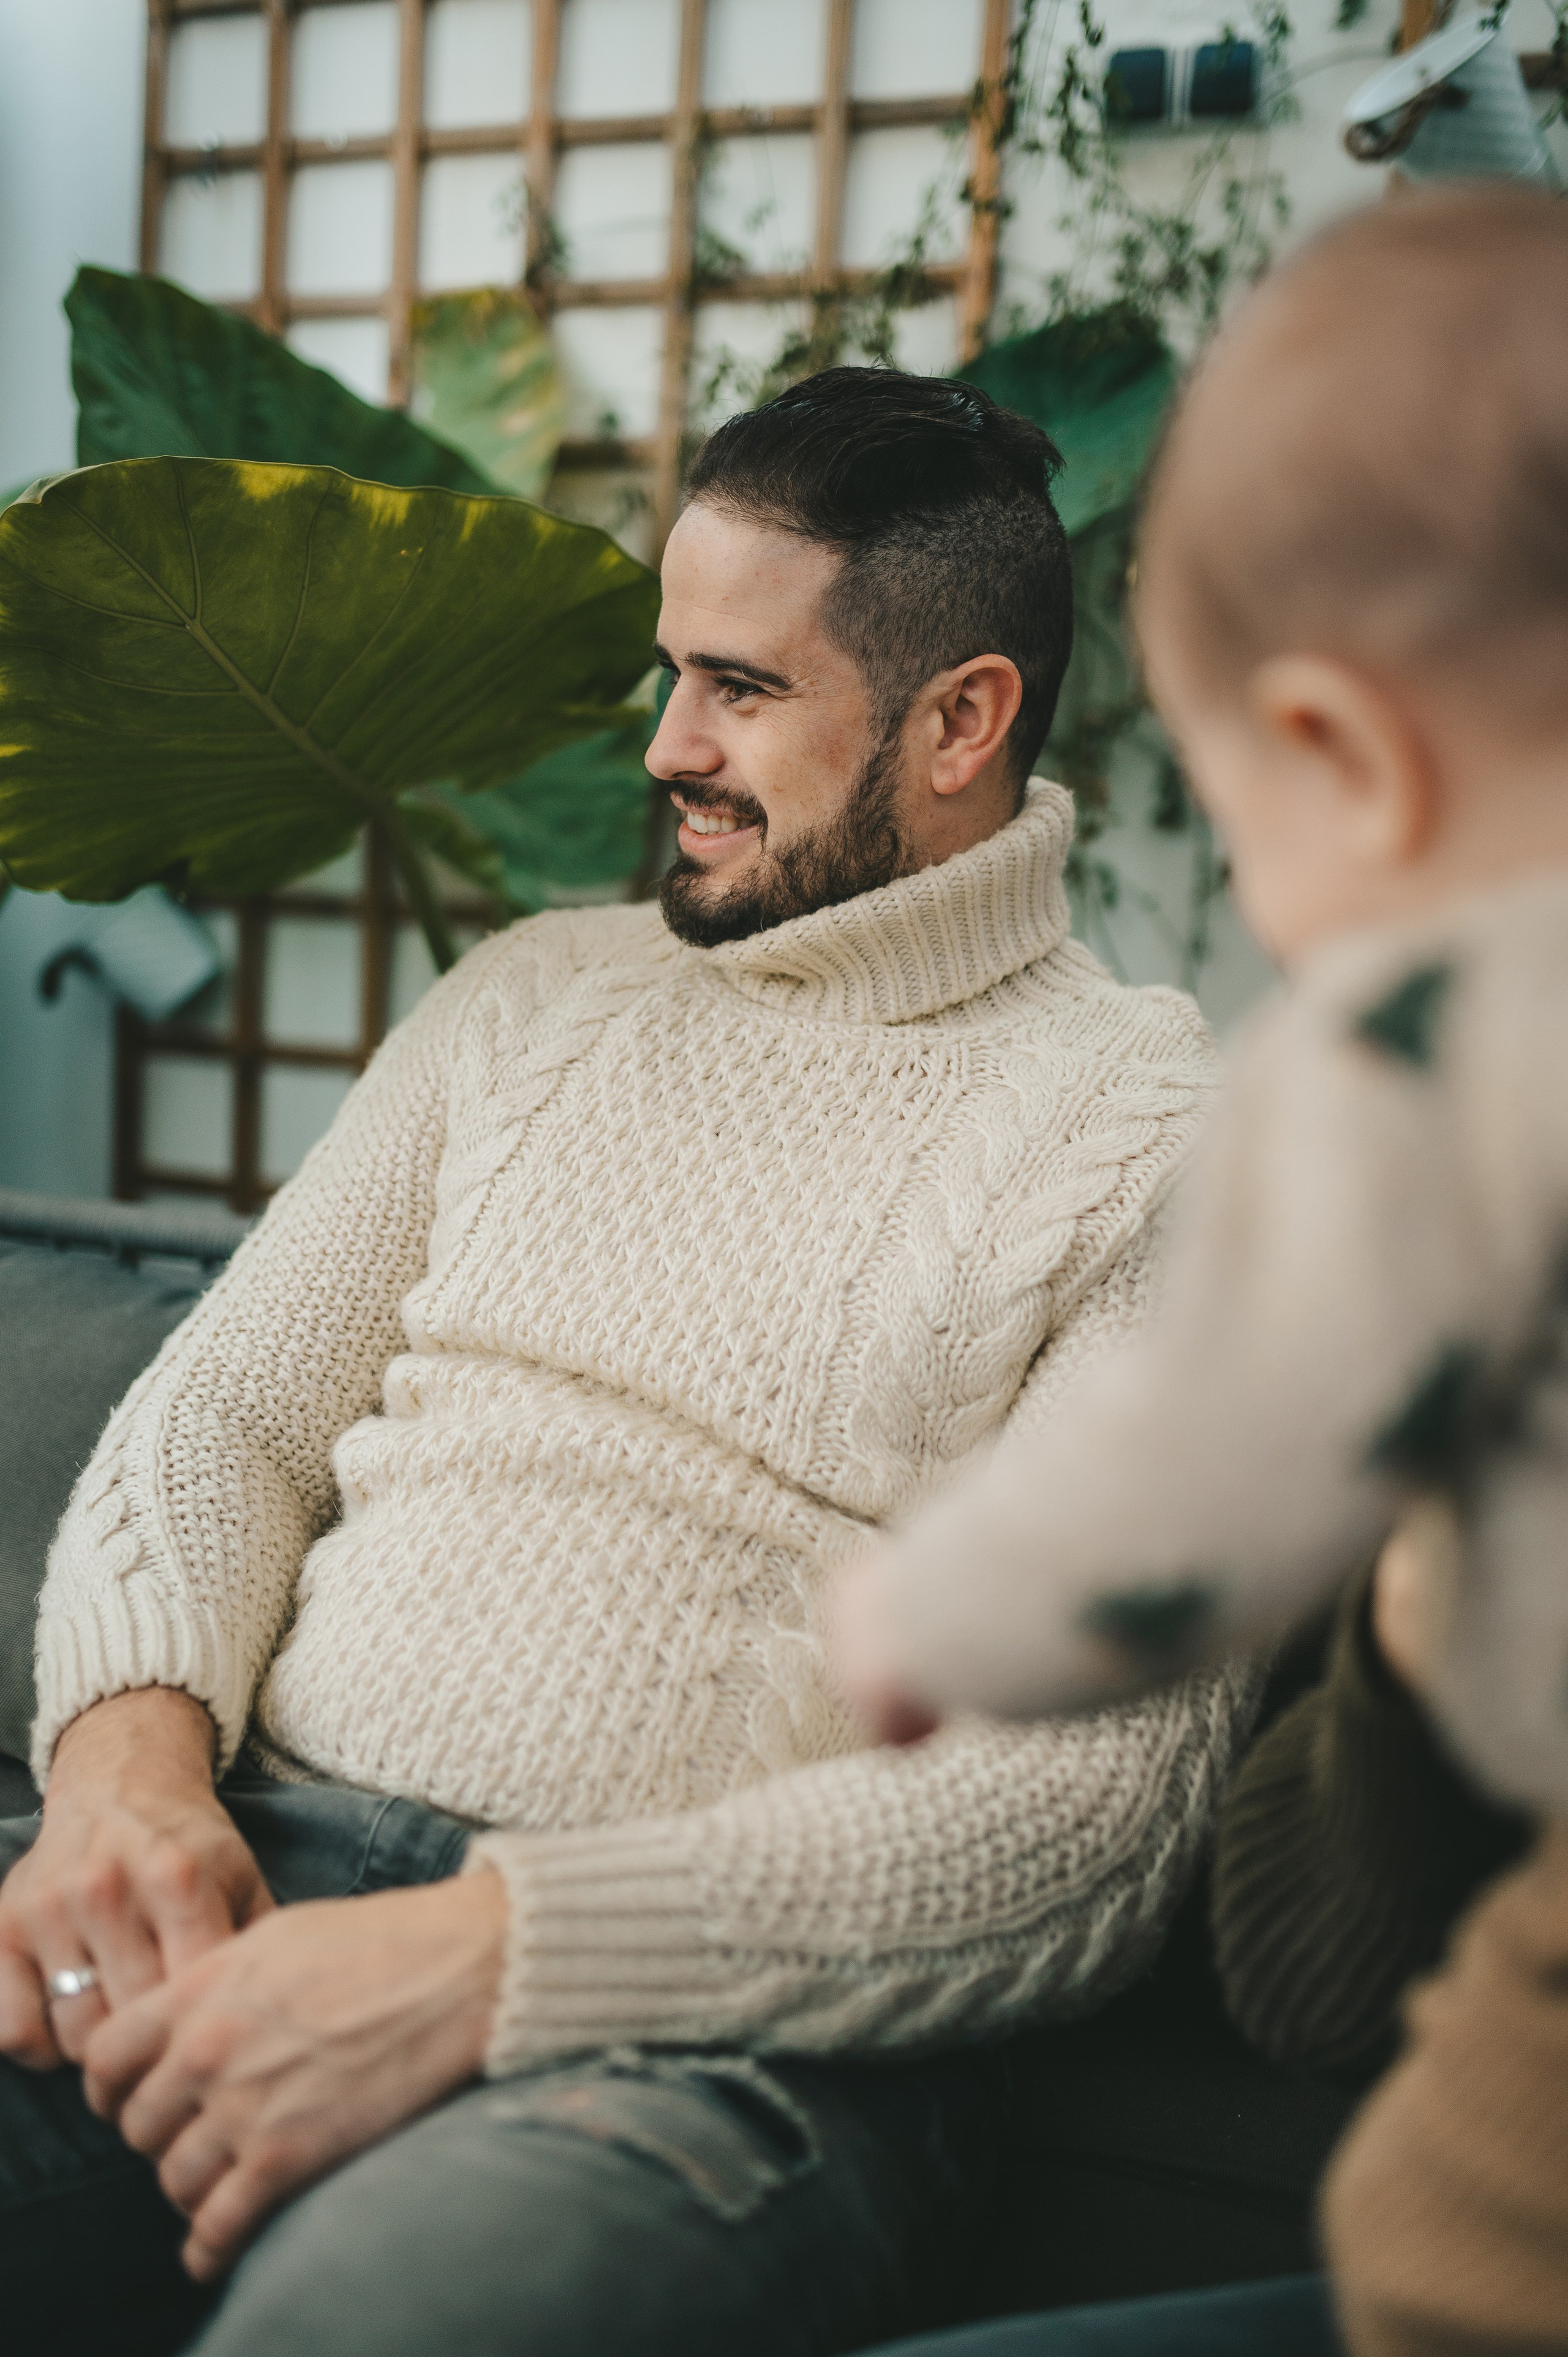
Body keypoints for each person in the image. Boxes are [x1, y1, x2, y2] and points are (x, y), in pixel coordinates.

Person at [0, 367, 1246, 2357]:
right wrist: (125, 1784)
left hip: (692, 2044)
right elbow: (223, 1418)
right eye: (673, 670)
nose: (666, 743)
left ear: (961, 720)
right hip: (244, 1871)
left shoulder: (1158, 1137)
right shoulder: (532, 998)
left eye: (740, 688)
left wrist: (489, 1953)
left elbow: (1080, 1822)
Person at [833, 188, 1568, 2356]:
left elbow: (1201, 1472)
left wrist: (932, 1612)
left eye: (1244, 824)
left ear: (1346, 751)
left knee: (1459, 2229)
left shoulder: (1440, 1035)